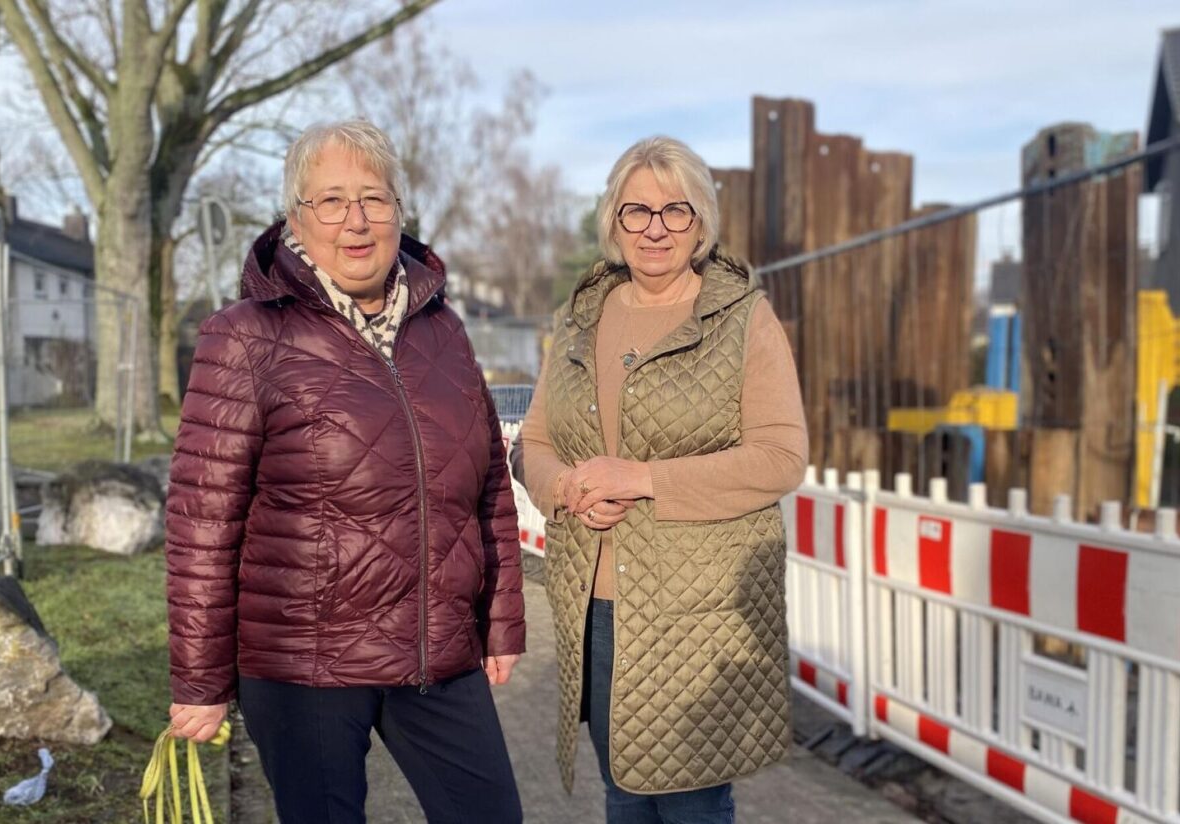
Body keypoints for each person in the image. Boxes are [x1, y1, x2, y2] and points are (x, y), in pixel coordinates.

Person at [162, 119, 525, 824]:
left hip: (434, 650)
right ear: (296, 217)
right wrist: (200, 680)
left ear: (399, 212)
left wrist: (500, 620)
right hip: (305, 662)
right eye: (331, 201)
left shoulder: (443, 330)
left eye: (375, 199)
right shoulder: (244, 335)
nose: (356, 222)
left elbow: (487, 488)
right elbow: (203, 521)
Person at [519, 136, 809, 823]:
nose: (655, 229)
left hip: (695, 613)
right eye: (636, 211)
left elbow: (780, 456)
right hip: (596, 604)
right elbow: (535, 440)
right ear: (613, 223)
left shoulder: (743, 320)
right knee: (622, 788)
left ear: (700, 221)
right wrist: (564, 488)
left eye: (674, 211)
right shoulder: (582, 318)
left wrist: (643, 477)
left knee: (691, 803)